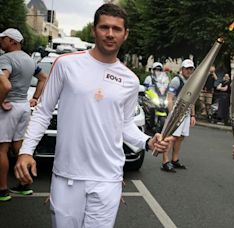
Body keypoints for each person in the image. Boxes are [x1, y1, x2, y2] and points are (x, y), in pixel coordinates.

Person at [14, 4, 171, 227]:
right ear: (95, 30)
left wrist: (147, 141)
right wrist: (26, 151)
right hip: (67, 177)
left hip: (108, 179)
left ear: (125, 34)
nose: (110, 33)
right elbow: (43, 111)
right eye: (104, 27)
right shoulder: (66, 64)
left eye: (116, 29)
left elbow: (125, 124)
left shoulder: (130, 80)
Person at [0, 28, 47, 201]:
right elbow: (43, 77)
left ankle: (2, 190)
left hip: (8, 107)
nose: (1, 42)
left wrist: (0, 101)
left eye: (3, 39)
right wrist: (35, 98)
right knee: (19, 147)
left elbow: (5, 84)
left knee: (2, 148)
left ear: (13, 41)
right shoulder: (29, 59)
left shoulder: (5, 59)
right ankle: (24, 185)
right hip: (24, 107)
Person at [162, 59, 196, 172]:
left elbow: (192, 99)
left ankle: (175, 160)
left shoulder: (192, 81)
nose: (189, 70)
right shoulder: (176, 81)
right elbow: (170, 98)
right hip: (176, 113)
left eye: (191, 68)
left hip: (186, 114)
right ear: (182, 69)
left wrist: (193, 115)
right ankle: (165, 161)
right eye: (187, 68)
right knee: (171, 137)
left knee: (180, 137)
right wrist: (172, 114)